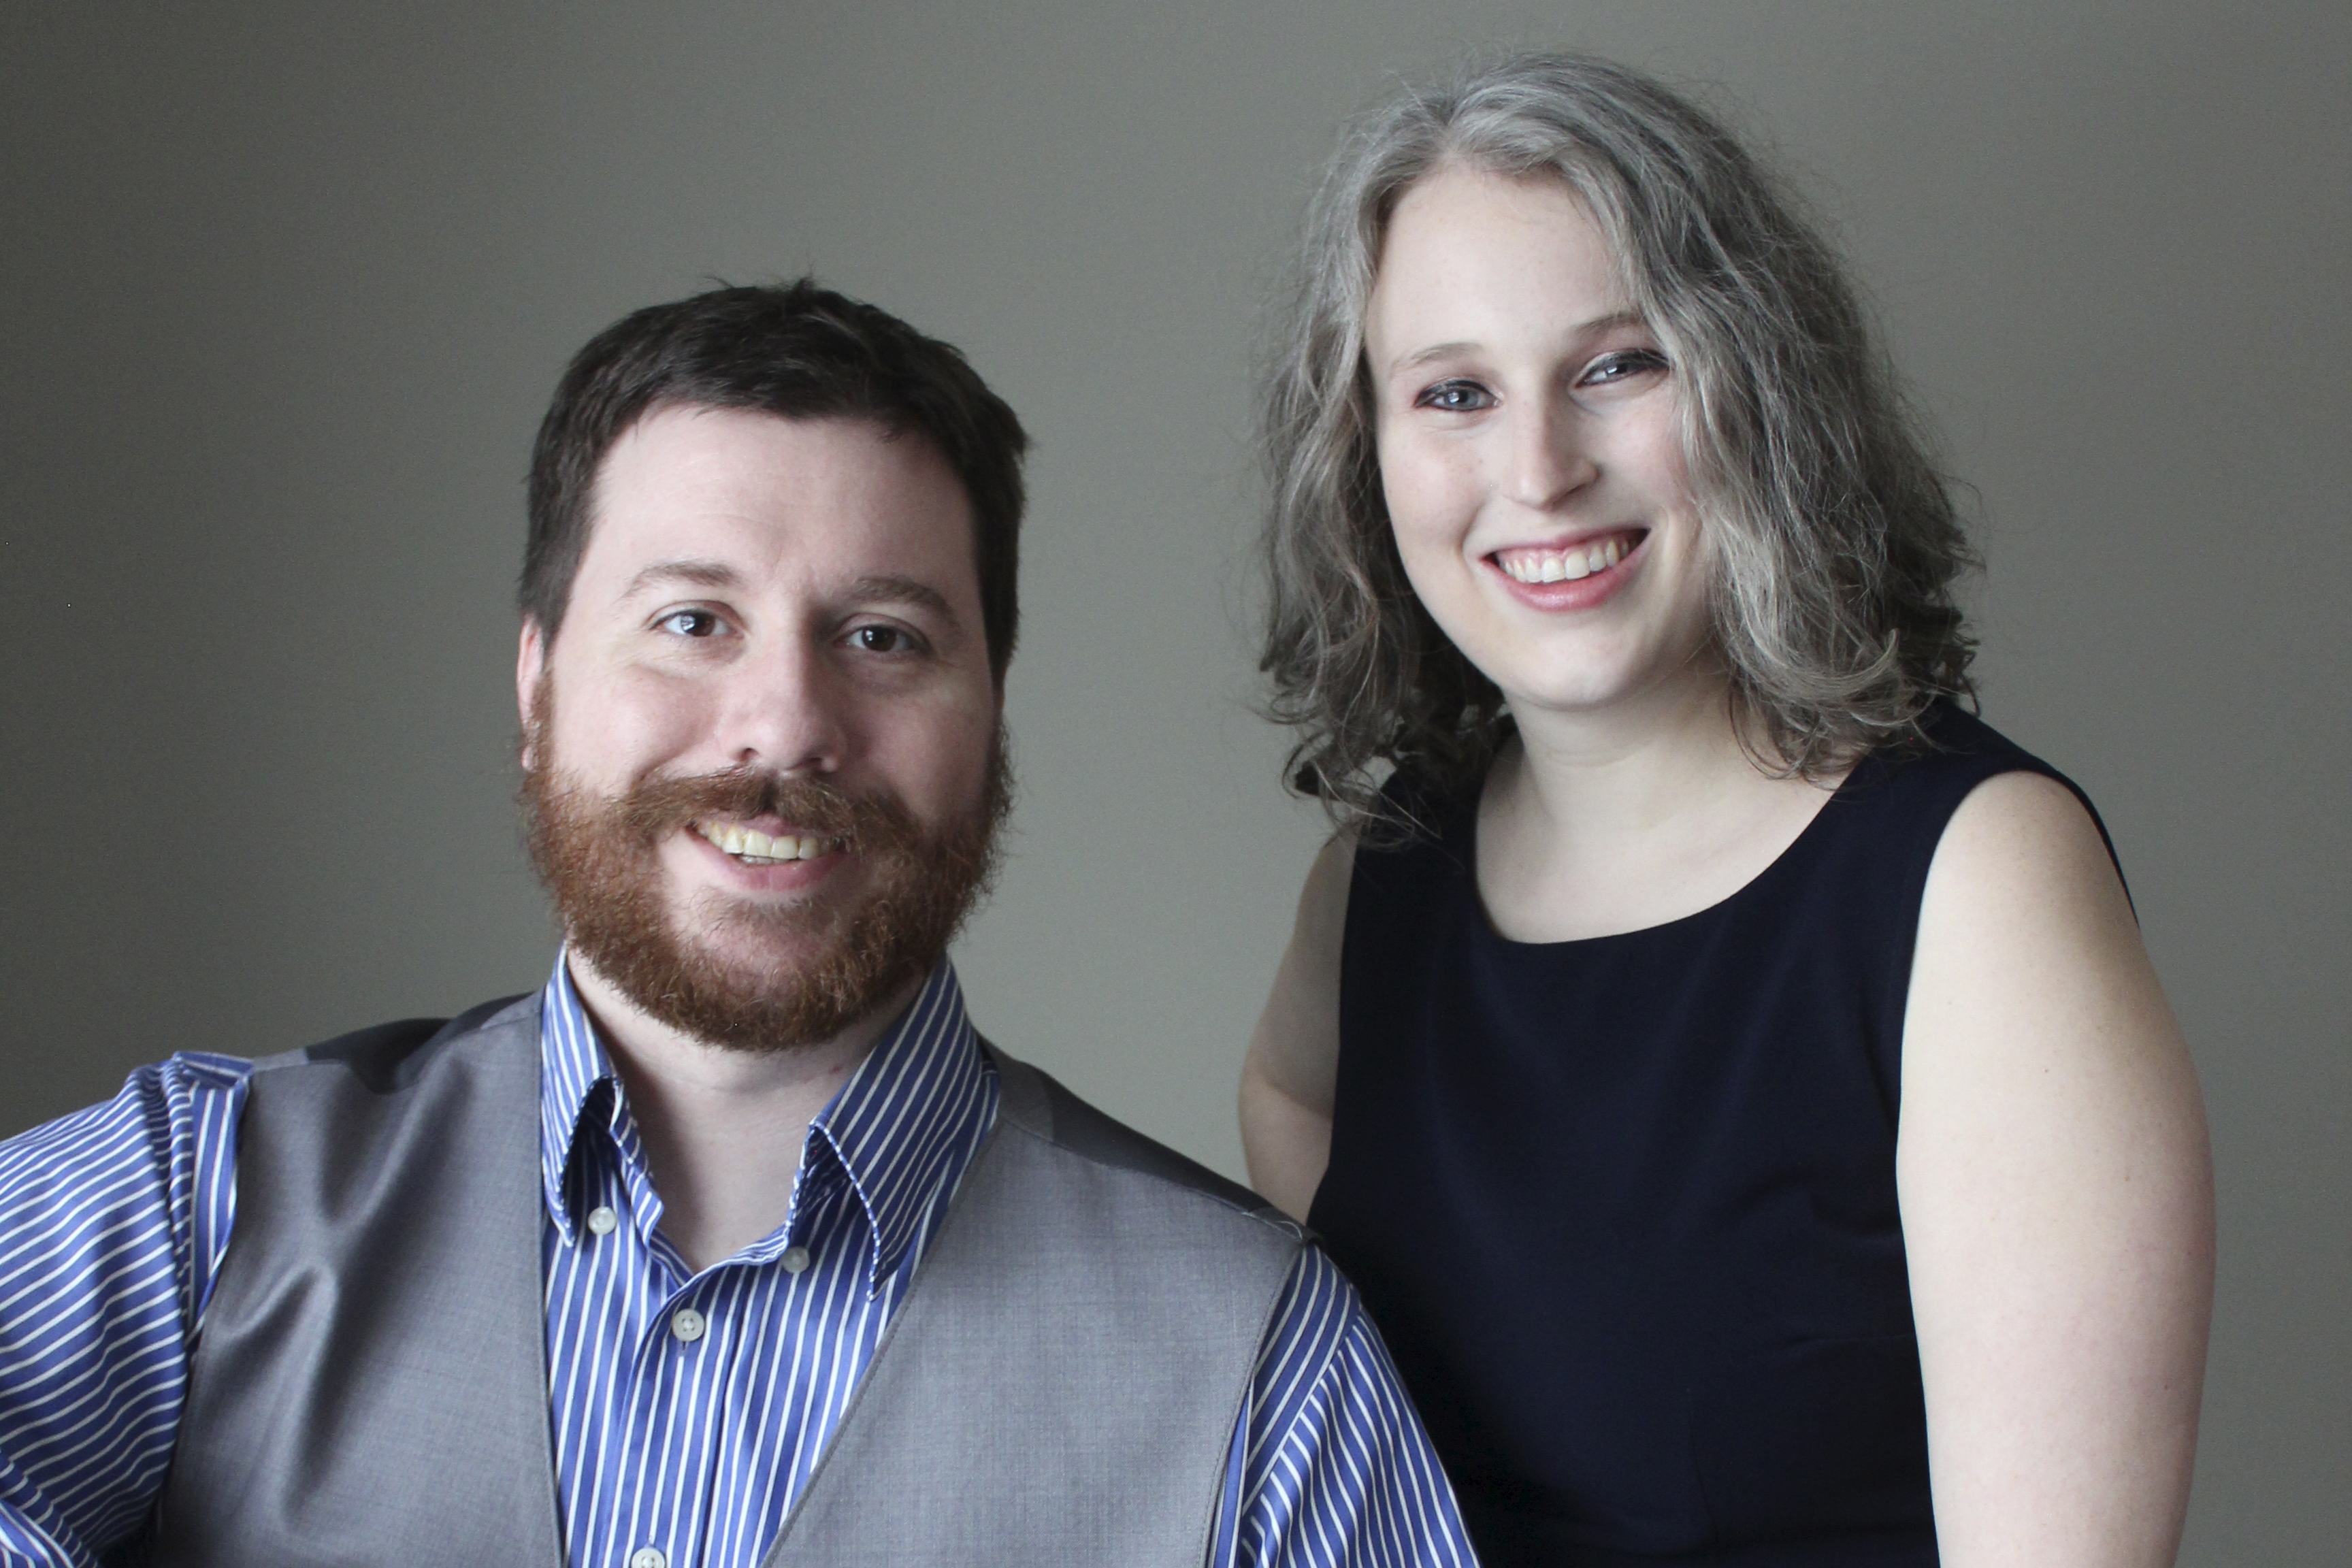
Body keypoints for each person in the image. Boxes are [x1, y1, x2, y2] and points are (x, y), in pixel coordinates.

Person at [0, 282, 1478, 1568]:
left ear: (991, 716)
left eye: (882, 637)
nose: (784, 723)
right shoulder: (197, 1197)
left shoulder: (1262, 1363)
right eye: (693, 621)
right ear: (538, 683)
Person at [1239, 53, 2214, 1568]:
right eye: (1454, 393)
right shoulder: (1385, 872)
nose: (1539, 471)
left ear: (1758, 383)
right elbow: (1290, 1099)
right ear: (1368, 454)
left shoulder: (1977, 880)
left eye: (1618, 366)